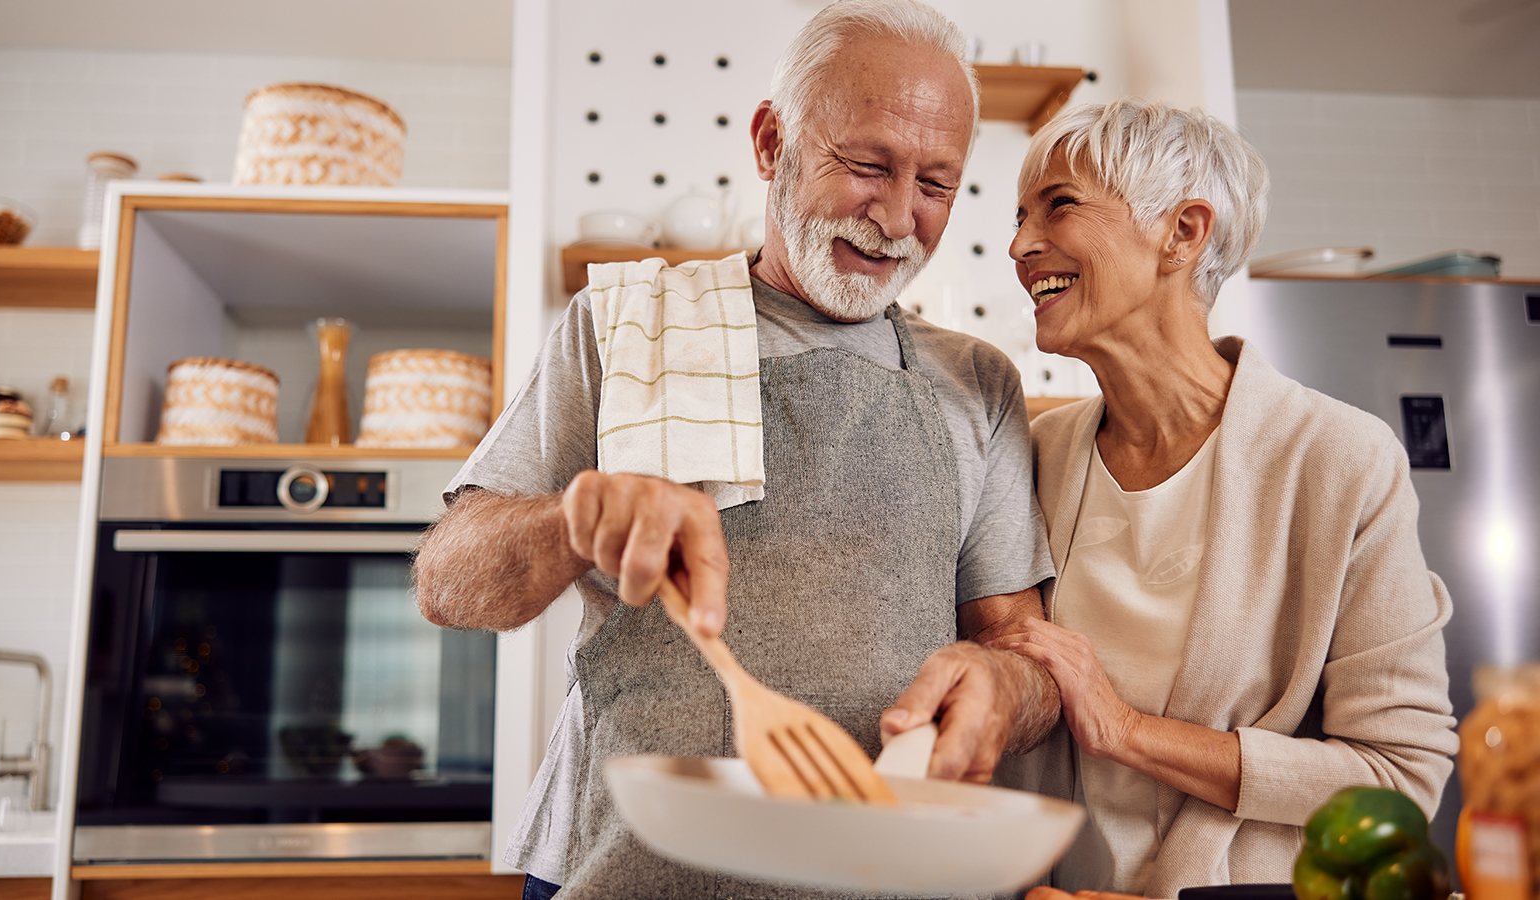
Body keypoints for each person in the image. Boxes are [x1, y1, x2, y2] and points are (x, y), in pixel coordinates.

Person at [412, 2, 1061, 898]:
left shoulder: (978, 383)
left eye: (937, 185)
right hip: (624, 868)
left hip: (884, 877)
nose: (900, 218)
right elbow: (448, 584)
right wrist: (572, 521)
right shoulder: (624, 328)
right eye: (867, 165)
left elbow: (1026, 653)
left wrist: (1005, 686)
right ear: (770, 143)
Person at [995, 98, 1459, 898]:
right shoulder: (1037, 456)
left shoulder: (1339, 461)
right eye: (1019, 216)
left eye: (1059, 205)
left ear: (1183, 232)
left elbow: (1396, 781)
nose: (1020, 245)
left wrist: (1129, 731)